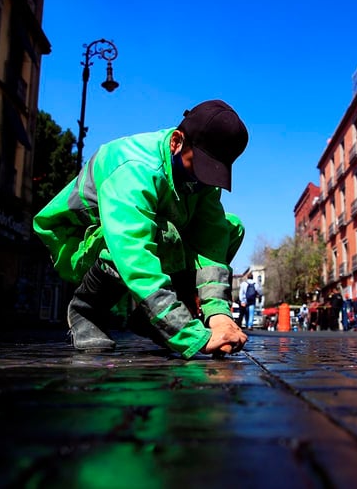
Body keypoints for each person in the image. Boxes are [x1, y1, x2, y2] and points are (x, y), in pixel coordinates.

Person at [34, 99, 250, 359]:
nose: (202, 180)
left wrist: (219, 315)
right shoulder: (134, 168)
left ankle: (154, 319)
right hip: (78, 241)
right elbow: (134, 254)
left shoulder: (203, 180)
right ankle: (86, 310)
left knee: (231, 228)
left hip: (141, 235)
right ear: (176, 142)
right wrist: (192, 336)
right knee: (164, 234)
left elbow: (211, 243)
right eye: (200, 166)